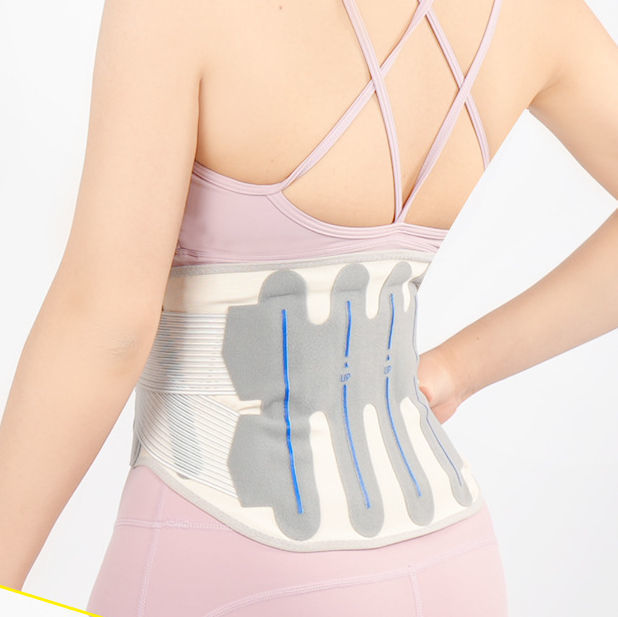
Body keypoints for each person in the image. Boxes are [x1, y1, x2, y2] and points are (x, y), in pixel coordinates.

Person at [1, 0, 616, 615]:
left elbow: (107, 329)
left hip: (232, 556)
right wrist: (460, 368)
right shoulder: (536, 14)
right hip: (455, 562)